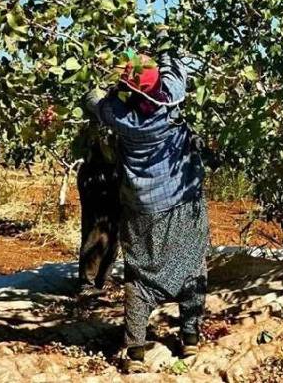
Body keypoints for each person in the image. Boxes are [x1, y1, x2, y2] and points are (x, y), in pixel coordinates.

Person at [84, 47, 207, 373]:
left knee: (140, 273)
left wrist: (111, 83)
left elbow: (91, 98)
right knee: (192, 266)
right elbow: (175, 67)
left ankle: (135, 352)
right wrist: (163, 48)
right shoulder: (172, 100)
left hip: (142, 207)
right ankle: (190, 340)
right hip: (184, 197)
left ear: (130, 90)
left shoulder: (120, 116)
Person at [75, 124, 121, 299]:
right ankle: (87, 283)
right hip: (96, 175)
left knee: (113, 229)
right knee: (97, 230)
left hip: (112, 174)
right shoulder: (101, 115)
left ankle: (102, 279)